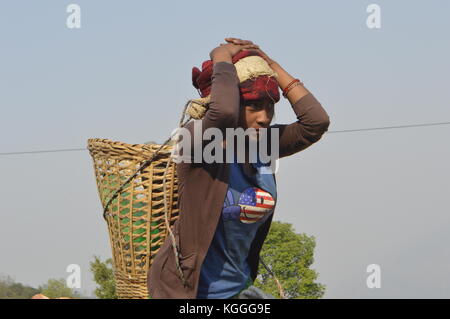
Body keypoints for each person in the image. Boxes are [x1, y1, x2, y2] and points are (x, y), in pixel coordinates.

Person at [147, 37, 330, 299]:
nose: (265, 118)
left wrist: (270, 64)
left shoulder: (262, 145)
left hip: (236, 292)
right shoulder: (197, 143)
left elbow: (316, 122)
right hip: (187, 293)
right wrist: (221, 55)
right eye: (254, 106)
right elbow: (222, 114)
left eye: (270, 107)